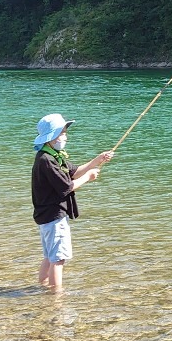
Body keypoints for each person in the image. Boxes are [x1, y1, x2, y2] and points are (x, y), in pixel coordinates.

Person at [31, 113, 114, 293]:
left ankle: (43, 289)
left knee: (49, 257)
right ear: (51, 136)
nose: (65, 137)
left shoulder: (52, 155)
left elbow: (73, 172)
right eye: (62, 133)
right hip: (54, 216)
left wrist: (97, 160)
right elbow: (67, 187)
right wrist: (88, 177)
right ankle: (56, 296)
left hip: (47, 216)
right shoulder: (47, 160)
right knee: (58, 259)